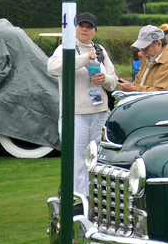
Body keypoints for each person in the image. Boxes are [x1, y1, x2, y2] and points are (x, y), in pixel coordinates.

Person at [46, 12, 119, 197]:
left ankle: (96, 200)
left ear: (95, 30)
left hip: (100, 113)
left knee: (98, 160)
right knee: (76, 161)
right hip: (75, 115)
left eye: (89, 26)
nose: (85, 29)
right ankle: (78, 201)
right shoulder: (66, 48)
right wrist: (86, 59)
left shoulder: (101, 50)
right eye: (81, 26)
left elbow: (113, 81)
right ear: (74, 28)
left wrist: (104, 79)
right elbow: (52, 68)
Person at [117, 25, 168, 93]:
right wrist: (130, 86)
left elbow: (162, 94)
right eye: (140, 49)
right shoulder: (148, 57)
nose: (142, 53)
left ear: (158, 43)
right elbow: (139, 82)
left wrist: (134, 89)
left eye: (145, 48)